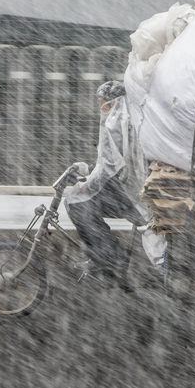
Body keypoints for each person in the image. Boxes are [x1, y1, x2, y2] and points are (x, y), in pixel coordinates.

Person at [64, 81, 163, 277]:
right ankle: (108, 259)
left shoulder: (117, 122)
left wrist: (88, 184)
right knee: (83, 202)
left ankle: (109, 260)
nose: (100, 108)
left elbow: (111, 165)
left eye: (103, 103)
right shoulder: (134, 119)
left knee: (76, 202)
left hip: (133, 195)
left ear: (114, 103)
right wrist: (89, 170)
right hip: (137, 190)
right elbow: (116, 161)